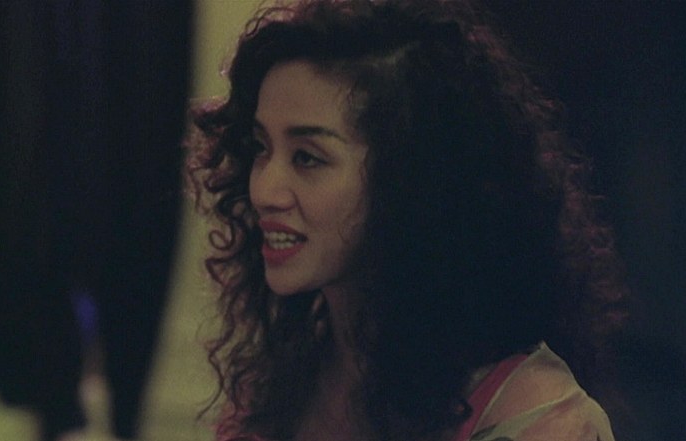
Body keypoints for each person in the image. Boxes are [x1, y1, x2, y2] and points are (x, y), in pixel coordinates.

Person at [185, 1, 628, 440]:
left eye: (307, 158)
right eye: (261, 148)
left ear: (411, 180)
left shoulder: (537, 419)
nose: (264, 191)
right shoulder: (291, 375)